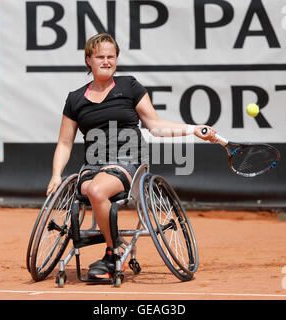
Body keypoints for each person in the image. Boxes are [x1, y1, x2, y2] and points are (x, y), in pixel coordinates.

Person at [46, 33, 217, 279]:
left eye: (111, 57)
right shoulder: (75, 99)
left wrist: (192, 129)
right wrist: (55, 175)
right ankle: (118, 244)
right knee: (88, 189)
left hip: (128, 163)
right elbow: (64, 142)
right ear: (89, 60)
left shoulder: (129, 86)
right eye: (100, 57)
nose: (107, 61)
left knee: (96, 191)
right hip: (92, 165)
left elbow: (155, 126)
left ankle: (113, 251)